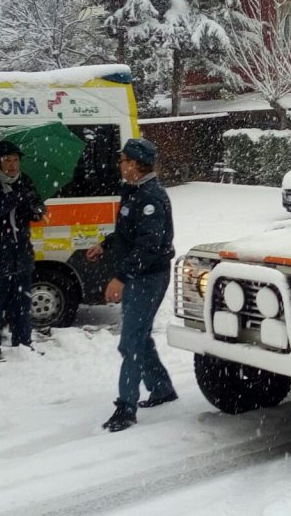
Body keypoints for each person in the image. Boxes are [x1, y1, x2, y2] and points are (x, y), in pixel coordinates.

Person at [87, 138, 177, 432]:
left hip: (148, 277)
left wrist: (121, 277)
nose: (120, 164)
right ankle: (161, 388)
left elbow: (149, 246)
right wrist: (105, 244)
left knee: (130, 342)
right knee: (139, 336)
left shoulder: (151, 198)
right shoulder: (134, 192)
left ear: (136, 165)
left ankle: (126, 408)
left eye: (124, 160)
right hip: (140, 274)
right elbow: (130, 235)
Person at [0, 140, 47, 362]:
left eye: (16, 160)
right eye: (7, 160)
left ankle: (24, 344)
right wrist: (16, 196)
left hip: (21, 253)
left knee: (22, 303)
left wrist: (36, 208)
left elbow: (37, 208)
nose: (13, 165)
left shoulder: (24, 181)